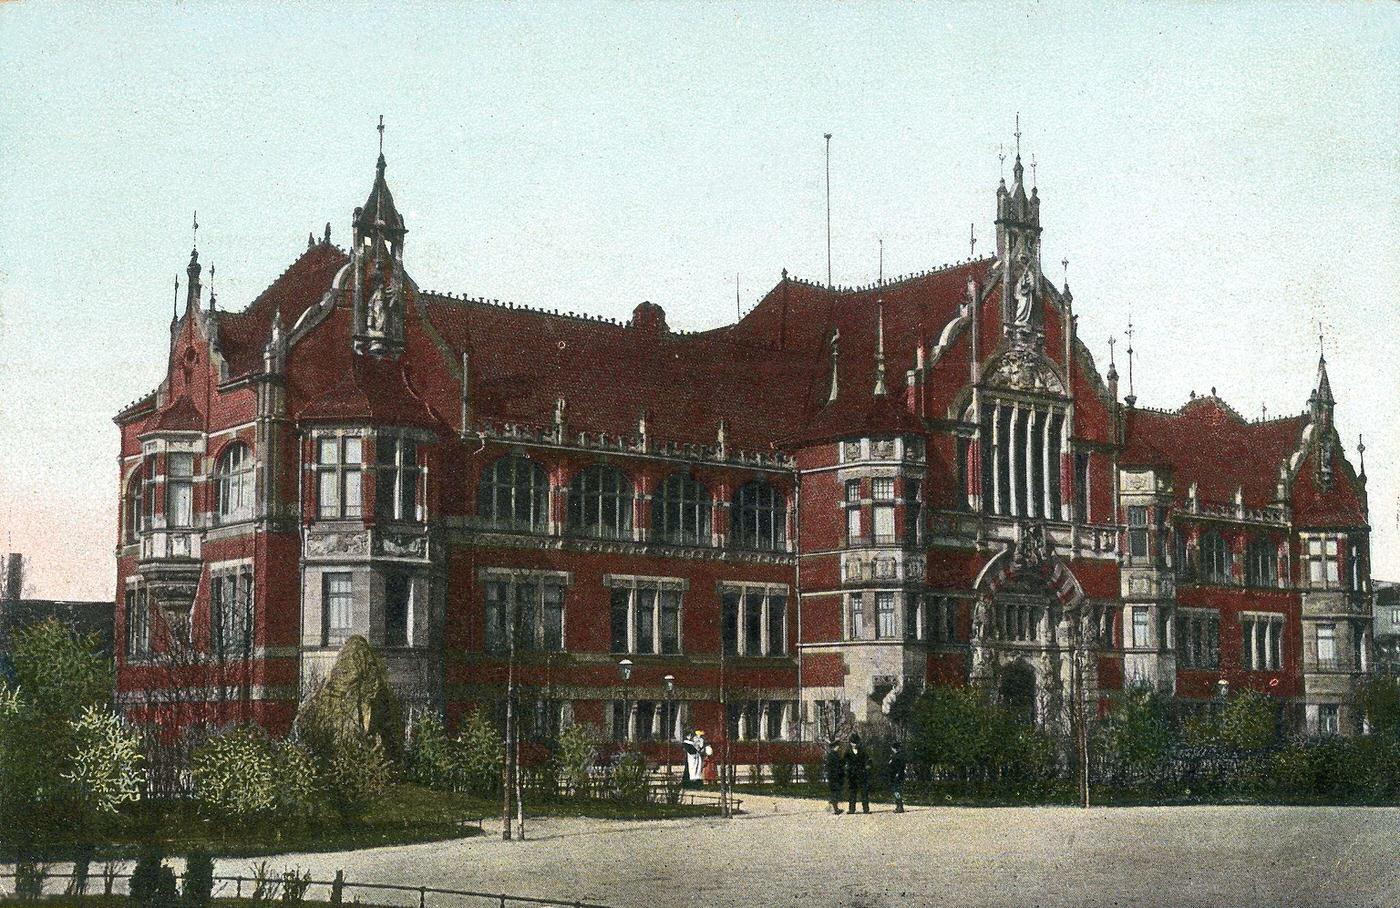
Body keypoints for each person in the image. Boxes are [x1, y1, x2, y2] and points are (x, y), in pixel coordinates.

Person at [844, 732, 870, 814]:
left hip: (862, 774)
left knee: (864, 792)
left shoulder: (863, 751)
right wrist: (846, 768)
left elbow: (868, 760)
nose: (854, 745)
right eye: (852, 743)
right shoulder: (847, 752)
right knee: (852, 792)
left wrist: (868, 766)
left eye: (855, 743)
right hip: (852, 775)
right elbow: (844, 762)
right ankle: (852, 809)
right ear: (850, 743)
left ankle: (866, 809)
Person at [823, 738, 845, 815]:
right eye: (838, 746)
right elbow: (835, 766)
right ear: (836, 746)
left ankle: (832, 807)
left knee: (834, 792)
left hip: (833, 776)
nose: (839, 748)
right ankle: (835, 809)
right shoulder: (833, 755)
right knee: (835, 792)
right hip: (834, 776)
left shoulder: (832, 755)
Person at [888, 740, 907, 813]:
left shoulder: (899, 756)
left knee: (897, 790)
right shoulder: (894, 755)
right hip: (894, 775)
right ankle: (898, 805)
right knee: (895, 790)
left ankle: (900, 806)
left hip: (897, 776)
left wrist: (897, 774)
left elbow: (901, 766)